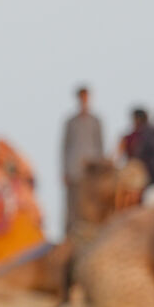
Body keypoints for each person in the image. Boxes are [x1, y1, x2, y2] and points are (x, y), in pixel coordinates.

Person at [58, 83, 103, 236]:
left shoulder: (95, 121)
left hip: (90, 172)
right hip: (73, 170)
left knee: (90, 205)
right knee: (72, 206)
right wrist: (64, 170)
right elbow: (65, 147)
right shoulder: (71, 122)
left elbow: (100, 146)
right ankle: (69, 236)